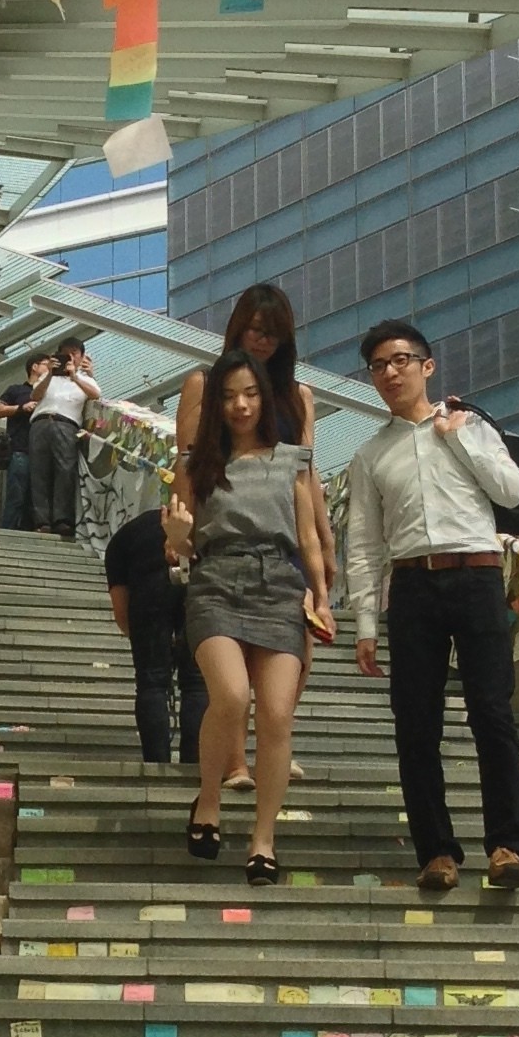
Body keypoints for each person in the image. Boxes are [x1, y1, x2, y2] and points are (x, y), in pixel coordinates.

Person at [347, 316, 519, 895]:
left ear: (427, 366)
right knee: (415, 724)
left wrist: (457, 437)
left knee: (492, 713)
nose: (390, 372)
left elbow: (512, 491)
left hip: (477, 576)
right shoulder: (370, 455)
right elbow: (364, 544)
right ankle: (436, 852)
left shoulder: (470, 426)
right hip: (412, 587)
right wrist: (365, 623)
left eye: (401, 360)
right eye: (379, 365)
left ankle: (507, 846)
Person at [162, 347, 334, 883]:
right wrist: (176, 538)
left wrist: (320, 596)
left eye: (252, 394)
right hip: (215, 580)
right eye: (230, 396)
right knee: (232, 695)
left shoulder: (292, 460)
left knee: (277, 714)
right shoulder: (196, 463)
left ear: (265, 399)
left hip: (279, 584)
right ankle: (208, 800)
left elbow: (307, 537)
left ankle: (263, 839)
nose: (241, 405)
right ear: (216, 402)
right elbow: (180, 546)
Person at [173, 284, 333, 775]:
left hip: (285, 533)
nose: (263, 341)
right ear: (238, 328)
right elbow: (187, 462)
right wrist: (179, 530)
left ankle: (273, 745)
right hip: (224, 533)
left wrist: (326, 542)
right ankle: (236, 760)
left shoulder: (297, 396)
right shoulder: (204, 384)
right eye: (255, 330)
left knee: (295, 648)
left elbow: (308, 474)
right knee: (233, 666)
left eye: (274, 334)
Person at [105, 499, 188, 763]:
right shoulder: (196, 521)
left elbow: (122, 614)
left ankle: (156, 763)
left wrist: (147, 642)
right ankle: (195, 765)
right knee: (197, 684)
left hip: (147, 594)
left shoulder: (122, 540)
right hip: (196, 584)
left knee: (151, 682)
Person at [27, 334, 98, 539]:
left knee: (65, 470)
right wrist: (50, 373)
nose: (70, 357)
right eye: (65, 354)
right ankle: (41, 521)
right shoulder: (47, 376)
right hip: (41, 422)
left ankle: (62, 520)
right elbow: (34, 395)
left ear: (82, 357)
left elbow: (96, 395)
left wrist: (75, 376)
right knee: (39, 471)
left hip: (67, 425)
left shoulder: (85, 379)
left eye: (74, 353)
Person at [0, 368, 40, 527]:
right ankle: (7, 531)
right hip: (21, 449)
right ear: (35, 366)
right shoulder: (17, 390)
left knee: (36, 501)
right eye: (46, 364)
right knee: (16, 496)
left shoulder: (53, 392)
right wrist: (21, 408)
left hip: (43, 454)